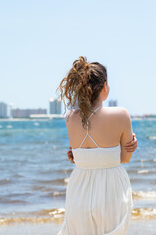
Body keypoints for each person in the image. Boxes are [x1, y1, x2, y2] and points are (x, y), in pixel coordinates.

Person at [57, 56, 137, 235]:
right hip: (111, 189)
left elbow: (78, 157)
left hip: (79, 188)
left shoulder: (70, 117)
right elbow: (125, 158)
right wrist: (130, 146)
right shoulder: (121, 114)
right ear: (104, 86)